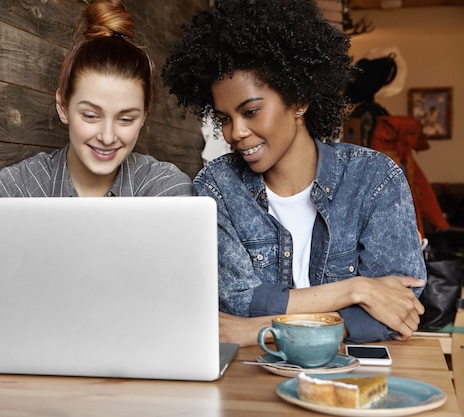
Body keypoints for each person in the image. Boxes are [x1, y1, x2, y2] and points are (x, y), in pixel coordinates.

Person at [0, 0, 193, 335]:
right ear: (63, 106)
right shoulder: (14, 189)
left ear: (144, 115)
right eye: (90, 115)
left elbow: (174, 309)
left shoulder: (166, 190)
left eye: (126, 119)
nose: (107, 136)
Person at [162, 0, 426, 346]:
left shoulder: (374, 179)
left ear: (298, 100)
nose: (235, 132)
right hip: (250, 382)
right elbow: (237, 302)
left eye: (251, 111)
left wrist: (261, 329)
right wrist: (357, 289)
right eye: (225, 118)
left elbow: (401, 309)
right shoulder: (217, 186)